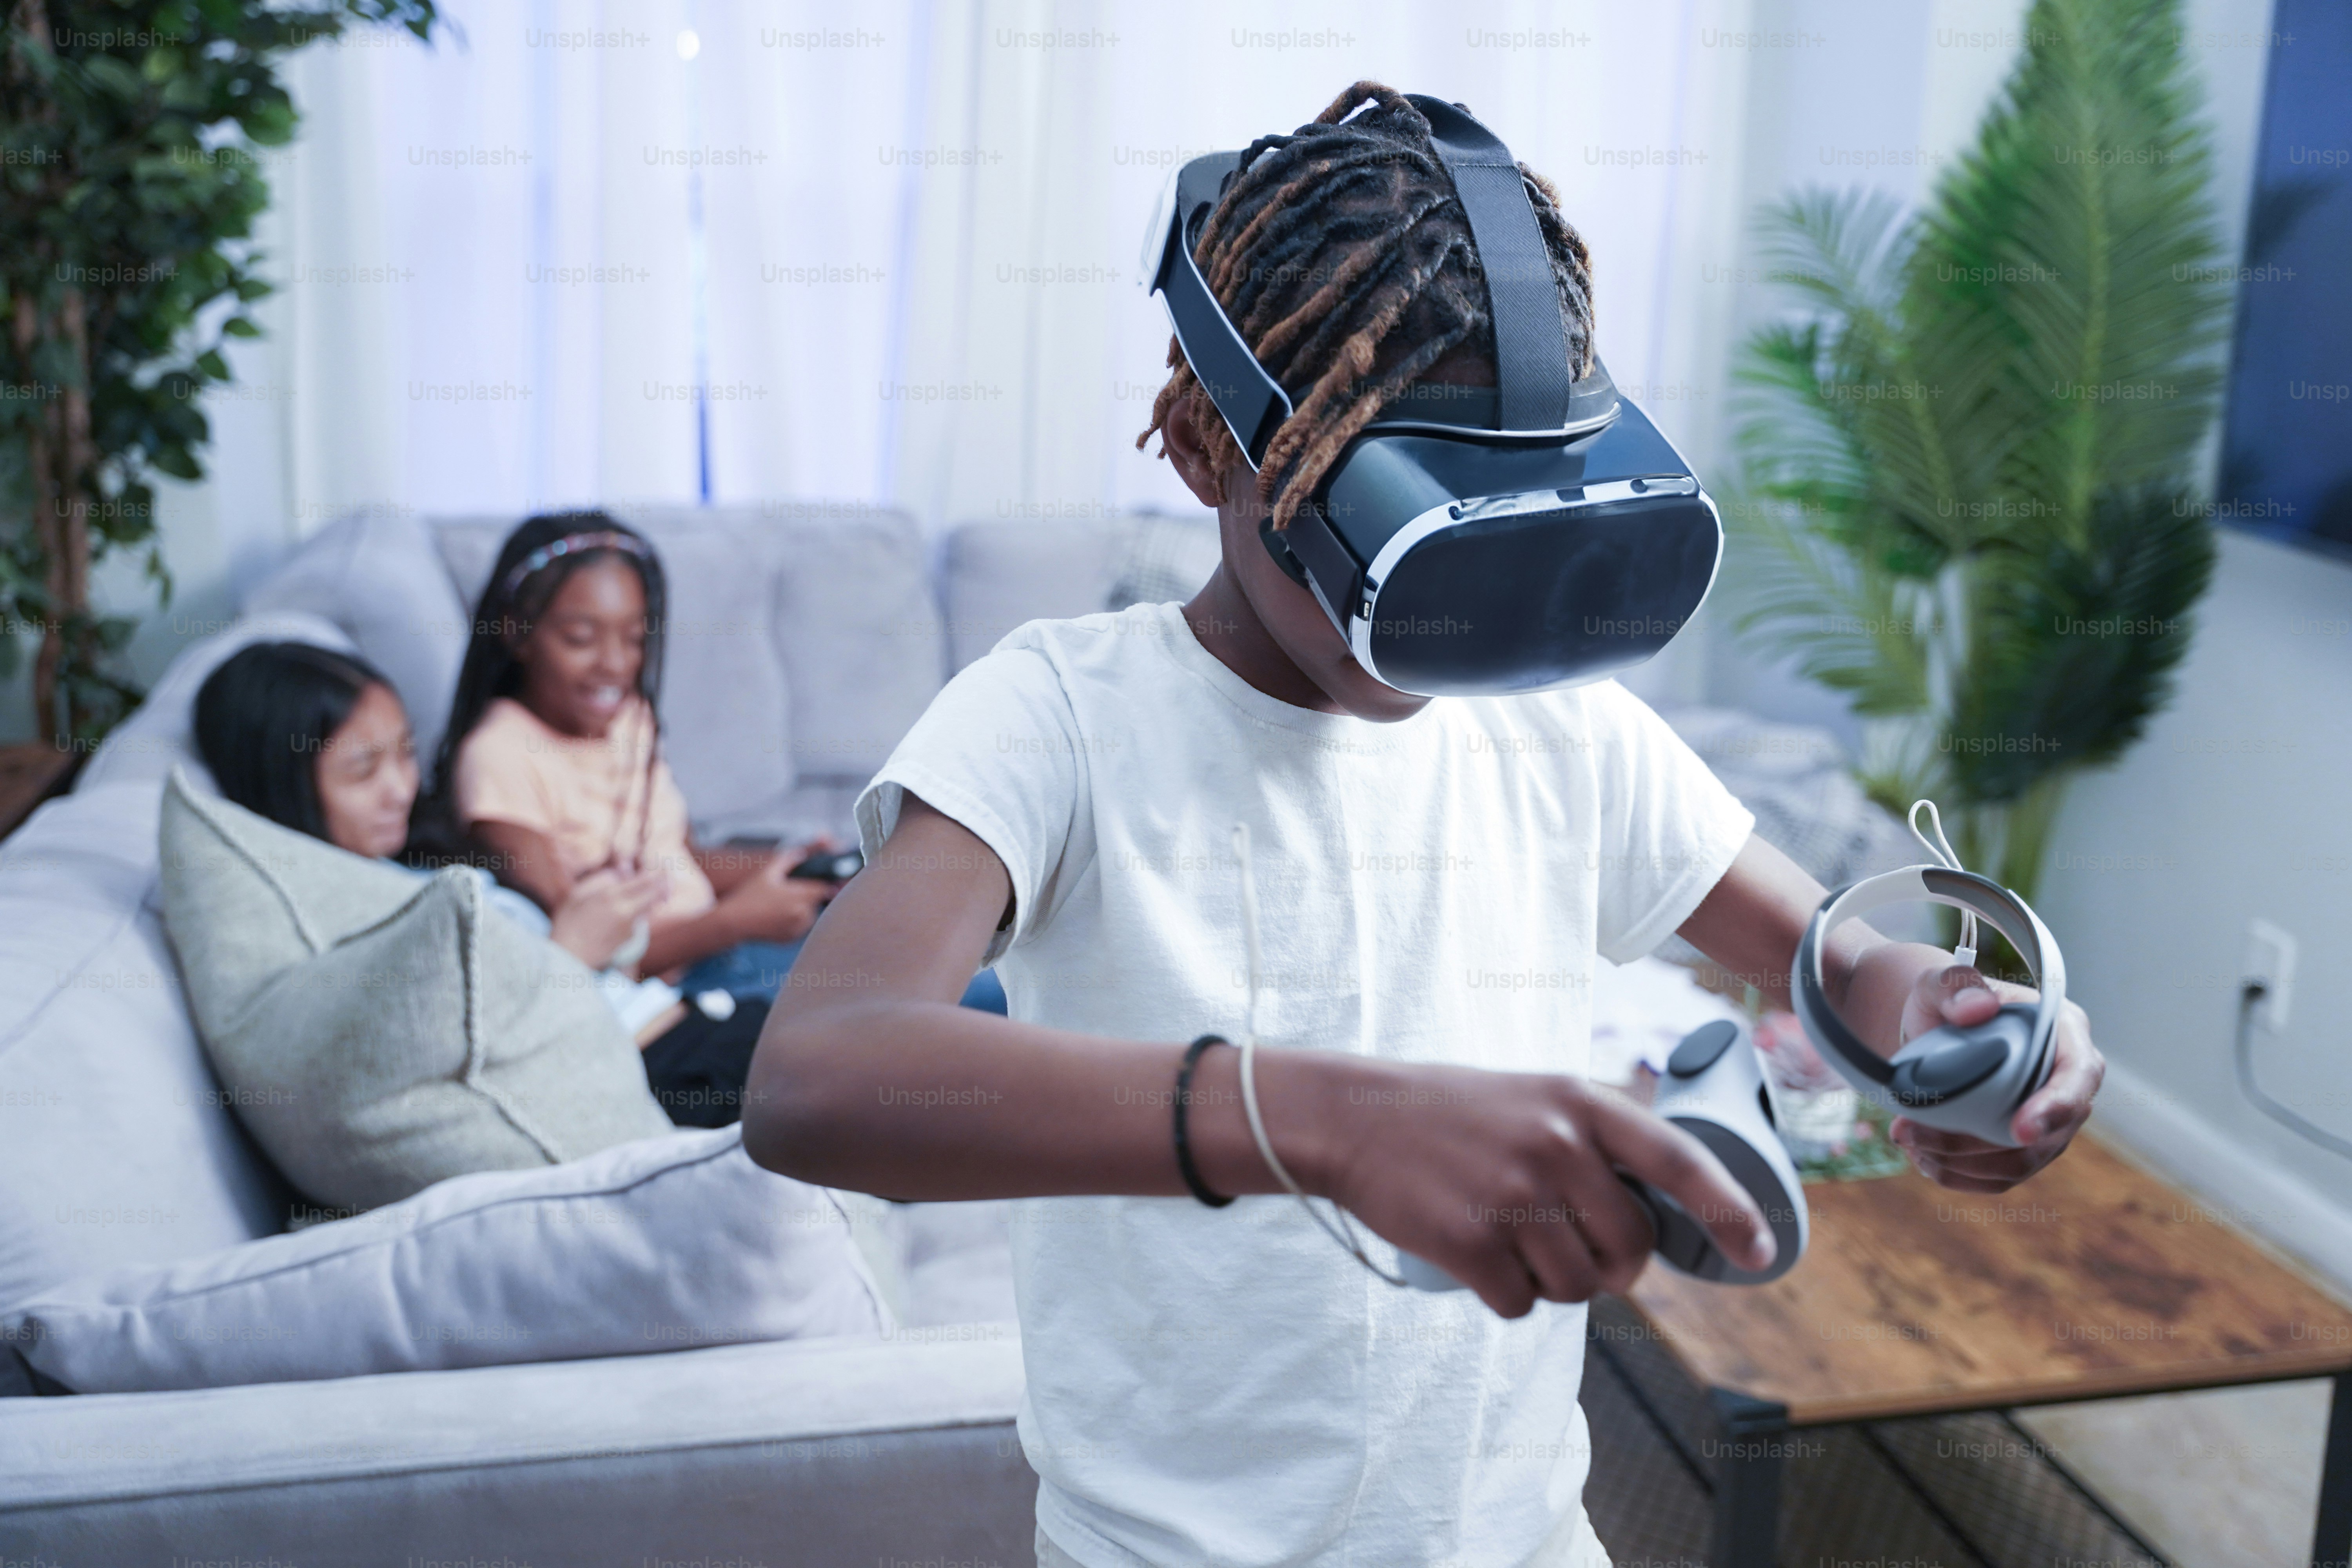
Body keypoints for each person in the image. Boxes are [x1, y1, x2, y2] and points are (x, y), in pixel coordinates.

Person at [738, 84, 2105, 1568]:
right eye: (1377, 531)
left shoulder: (1556, 727)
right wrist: (1328, 1124)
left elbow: (1837, 964)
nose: (1438, 624)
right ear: (1208, 451)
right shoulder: (1060, 719)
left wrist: (1952, 1025)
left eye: (1493, 523)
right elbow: (818, 1079)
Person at [424, 510, 1004, 1013]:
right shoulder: (499, 761)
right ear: (517, 634)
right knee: (949, 999)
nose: (615, 665)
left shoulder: (626, 719)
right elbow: (591, 955)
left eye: (634, 638)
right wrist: (740, 921)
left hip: (727, 943)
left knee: (970, 965)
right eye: (581, 638)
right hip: (683, 985)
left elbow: (671, 857)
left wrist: (786, 867)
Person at [193, 640, 766, 1128]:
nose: (402, 788)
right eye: (364, 771)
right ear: (282, 785)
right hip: (662, 1067)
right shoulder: (343, 920)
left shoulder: (403, 864)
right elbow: (460, 1041)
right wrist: (572, 949)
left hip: (683, 1018)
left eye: (406, 754)